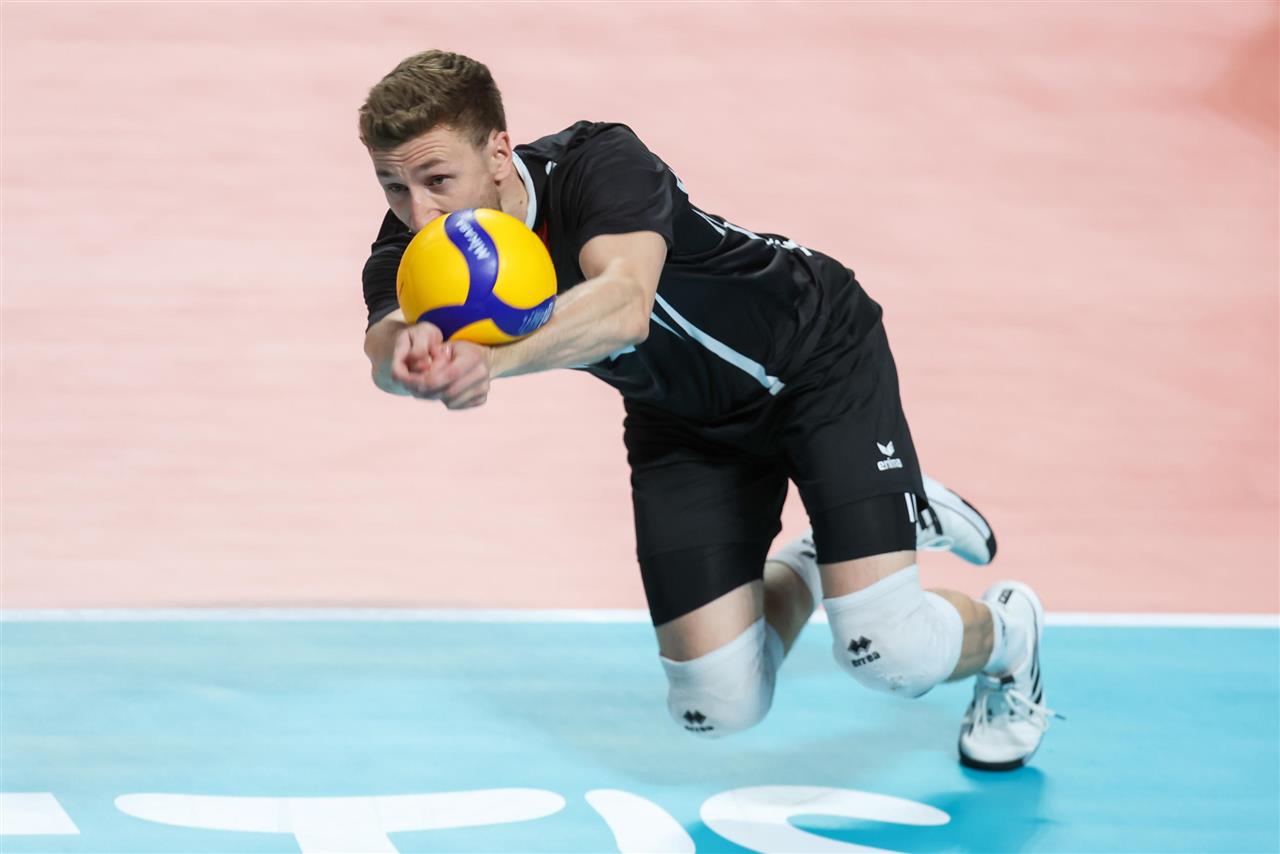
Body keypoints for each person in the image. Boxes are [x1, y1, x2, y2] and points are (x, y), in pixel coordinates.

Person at [357, 50, 1059, 770]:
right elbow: (385, 341)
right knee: (718, 705)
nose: (419, 212)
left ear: (499, 152)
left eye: (437, 180)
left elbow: (623, 305)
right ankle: (827, 551)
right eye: (393, 185)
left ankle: (1011, 636)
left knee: (887, 652)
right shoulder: (411, 250)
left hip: (816, 355)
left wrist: (492, 362)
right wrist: (409, 359)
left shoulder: (599, 163)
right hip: (684, 424)